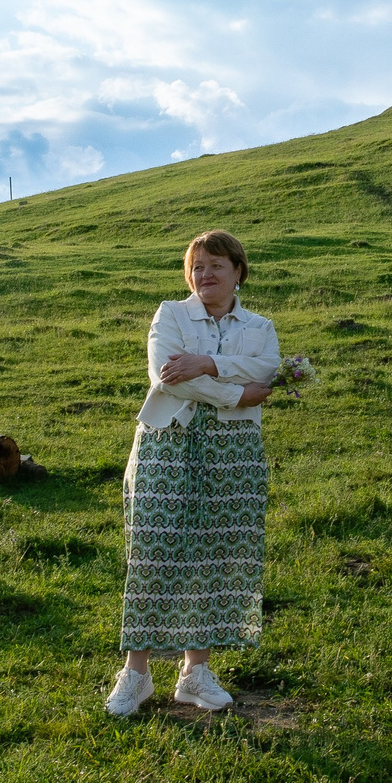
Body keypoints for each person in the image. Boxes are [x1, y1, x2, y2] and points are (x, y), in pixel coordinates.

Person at [106, 229, 277, 717]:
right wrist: (234, 391)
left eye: (215, 266)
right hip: (168, 444)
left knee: (217, 551)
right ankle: (136, 674)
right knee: (154, 548)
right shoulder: (171, 314)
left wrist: (205, 363)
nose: (205, 275)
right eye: (197, 266)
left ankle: (194, 673)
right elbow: (166, 374)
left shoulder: (261, 326)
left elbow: (266, 371)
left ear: (238, 272)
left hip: (234, 450)